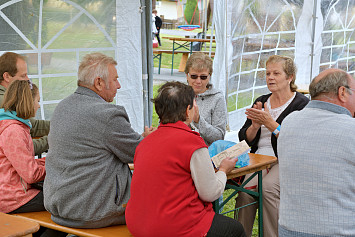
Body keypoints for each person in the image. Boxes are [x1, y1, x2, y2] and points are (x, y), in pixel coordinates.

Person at [44, 52, 155, 228]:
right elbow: (140, 153)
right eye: (115, 79)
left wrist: (139, 139)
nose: (119, 85)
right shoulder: (107, 115)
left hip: (59, 207)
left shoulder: (62, 106)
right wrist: (150, 140)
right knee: (159, 211)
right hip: (93, 212)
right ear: (98, 83)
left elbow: (96, 145)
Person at [126, 81, 246, 237]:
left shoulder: (145, 142)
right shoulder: (191, 142)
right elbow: (210, 193)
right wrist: (223, 170)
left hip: (137, 223)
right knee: (235, 230)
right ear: (188, 110)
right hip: (173, 226)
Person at [235, 55, 309, 237]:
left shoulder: (302, 105)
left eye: (276, 73)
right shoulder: (262, 99)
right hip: (258, 157)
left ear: (290, 77)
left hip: (284, 159)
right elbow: (244, 139)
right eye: (268, 73)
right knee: (245, 192)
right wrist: (254, 126)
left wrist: (270, 123)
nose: (270, 77)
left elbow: (298, 141)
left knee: (268, 188)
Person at [278, 68, 355, 237]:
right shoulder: (351, 129)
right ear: (342, 92)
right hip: (340, 231)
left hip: (288, 229)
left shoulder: (289, 122)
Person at [0, 52, 49, 156]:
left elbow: (32, 125)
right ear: (7, 76)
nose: (27, 79)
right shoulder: (5, 102)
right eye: (23, 75)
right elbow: (24, 147)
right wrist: (55, 137)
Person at [184, 52, 227, 146]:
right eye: (194, 76)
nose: (198, 81)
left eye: (203, 77)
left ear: (209, 76)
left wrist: (198, 120)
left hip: (204, 152)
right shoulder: (178, 94)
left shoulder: (217, 98)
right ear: (187, 75)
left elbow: (219, 137)